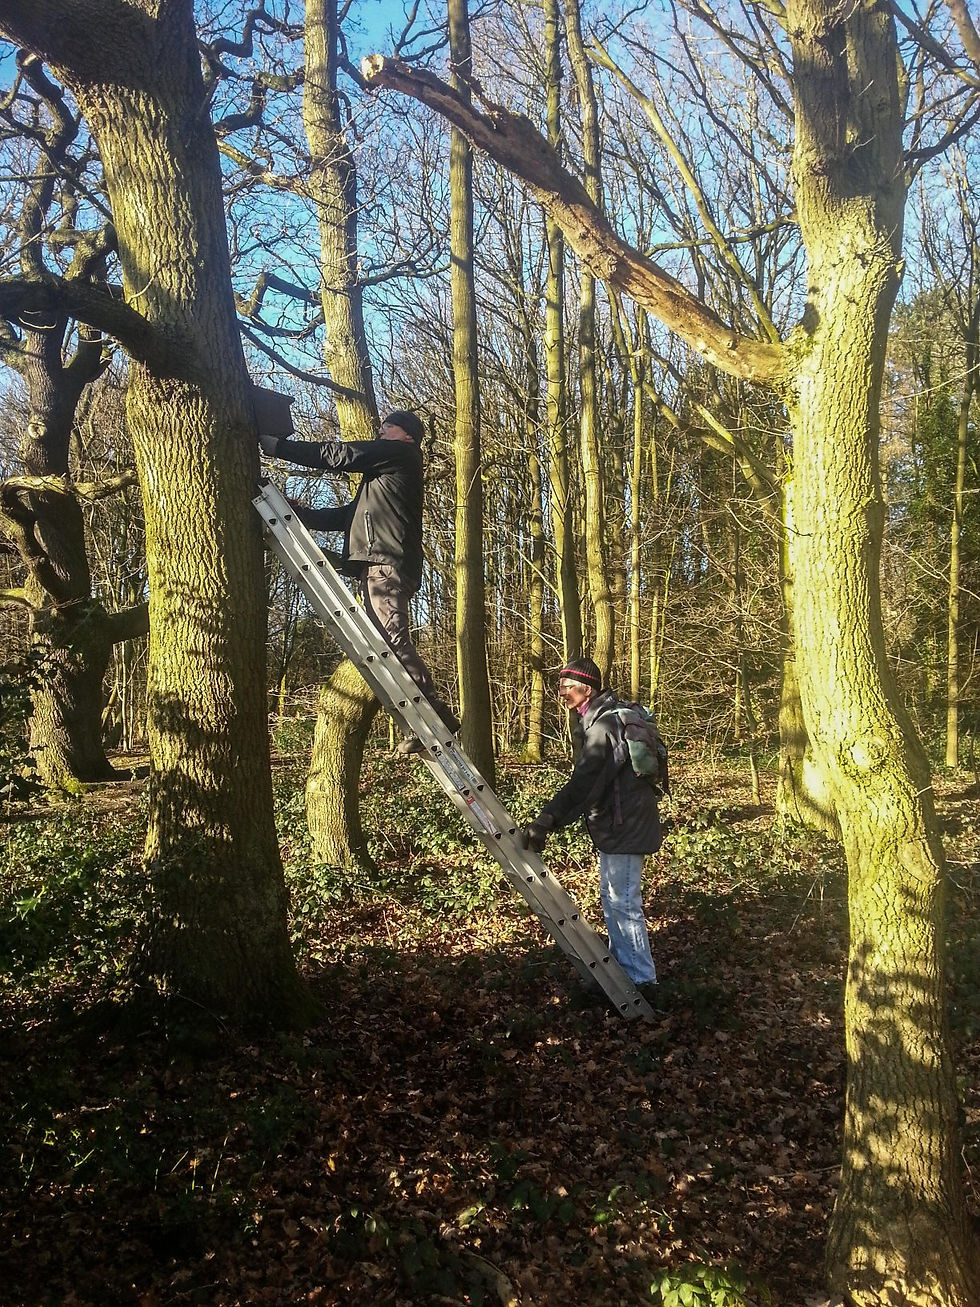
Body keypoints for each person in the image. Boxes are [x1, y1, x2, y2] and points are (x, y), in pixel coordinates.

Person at [258, 410, 459, 750]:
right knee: (383, 642)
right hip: (382, 564)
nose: (381, 432)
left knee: (391, 640)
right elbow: (345, 517)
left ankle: (435, 716)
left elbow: (342, 455)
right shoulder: (384, 481)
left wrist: (280, 448)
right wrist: (299, 514)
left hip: (385, 564)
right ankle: (428, 717)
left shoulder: (402, 454)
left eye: (387, 427)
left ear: (407, 434)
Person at [520, 657, 659, 991]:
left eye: (567, 686)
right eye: (560, 686)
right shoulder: (603, 720)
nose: (561, 693)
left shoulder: (604, 727)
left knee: (624, 903)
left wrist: (546, 820)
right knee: (614, 899)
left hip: (626, 827)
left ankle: (642, 983)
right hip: (621, 824)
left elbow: (582, 783)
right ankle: (625, 974)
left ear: (587, 688)